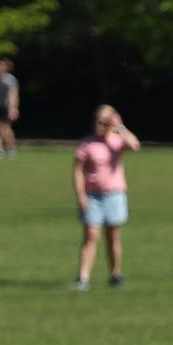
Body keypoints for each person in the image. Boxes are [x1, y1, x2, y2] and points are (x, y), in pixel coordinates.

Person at [72, 105, 140, 291]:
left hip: (115, 195)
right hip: (93, 196)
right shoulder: (87, 143)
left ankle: (115, 274)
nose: (100, 125)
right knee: (91, 235)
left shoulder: (116, 142)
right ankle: (83, 277)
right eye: (98, 121)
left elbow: (135, 146)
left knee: (112, 236)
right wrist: (80, 196)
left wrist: (120, 127)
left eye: (104, 121)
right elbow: (77, 170)